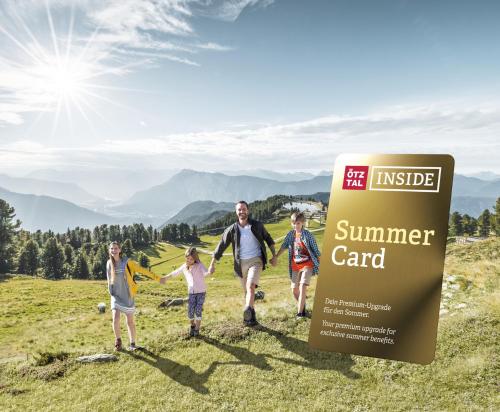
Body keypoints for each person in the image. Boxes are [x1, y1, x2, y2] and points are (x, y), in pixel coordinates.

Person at [208, 200, 276, 326]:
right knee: (247, 292)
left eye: (243, 209)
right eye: (239, 209)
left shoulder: (257, 225)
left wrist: (274, 256)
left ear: (247, 211)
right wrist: (212, 264)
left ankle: (247, 314)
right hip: (240, 264)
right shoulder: (232, 230)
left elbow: (269, 239)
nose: (241, 212)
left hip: (256, 260)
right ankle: (251, 318)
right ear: (236, 212)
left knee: (250, 286)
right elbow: (221, 246)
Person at [106, 241, 166, 351]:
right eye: (111, 249)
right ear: (109, 251)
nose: (113, 250)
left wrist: (158, 278)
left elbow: (143, 271)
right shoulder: (109, 263)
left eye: (115, 248)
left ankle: (133, 344)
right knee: (116, 318)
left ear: (120, 250)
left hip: (128, 295)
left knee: (130, 321)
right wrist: (110, 291)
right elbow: (109, 279)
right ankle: (118, 342)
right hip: (116, 295)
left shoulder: (127, 263)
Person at [272, 212, 321, 318]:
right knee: (294, 289)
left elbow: (316, 250)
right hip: (295, 266)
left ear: (302, 223)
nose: (296, 225)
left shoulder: (308, 235)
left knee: (303, 286)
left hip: (307, 264)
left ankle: (300, 314)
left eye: (298, 223)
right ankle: (303, 309)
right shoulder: (290, 235)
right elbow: (284, 246)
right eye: (294, 223)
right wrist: (276, 256)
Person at [162, 247, 210, 337]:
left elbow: (206, 273)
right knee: (190, 312)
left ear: (195, 259)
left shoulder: (199, 265)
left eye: (191, 259)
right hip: (191, 293)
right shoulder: (184, 267)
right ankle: (192, 325)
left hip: (201, 292)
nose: (189, 260)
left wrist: (210, 270)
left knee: (198, 311)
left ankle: (197, 330)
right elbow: (175, 273)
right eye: (187, 258)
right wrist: (165, 278)